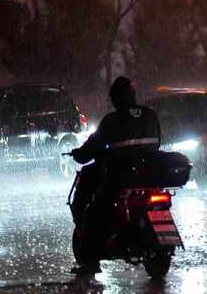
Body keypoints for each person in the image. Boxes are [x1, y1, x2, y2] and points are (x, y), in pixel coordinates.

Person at [69, 76, 161, 275]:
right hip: (148, 177)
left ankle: (90, 262)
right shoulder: (150, 115)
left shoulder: (112, 121)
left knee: (95, 212)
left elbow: (92, 147)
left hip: (120, 178)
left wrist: (80, 154)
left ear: (117, 98)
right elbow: (157, 143)